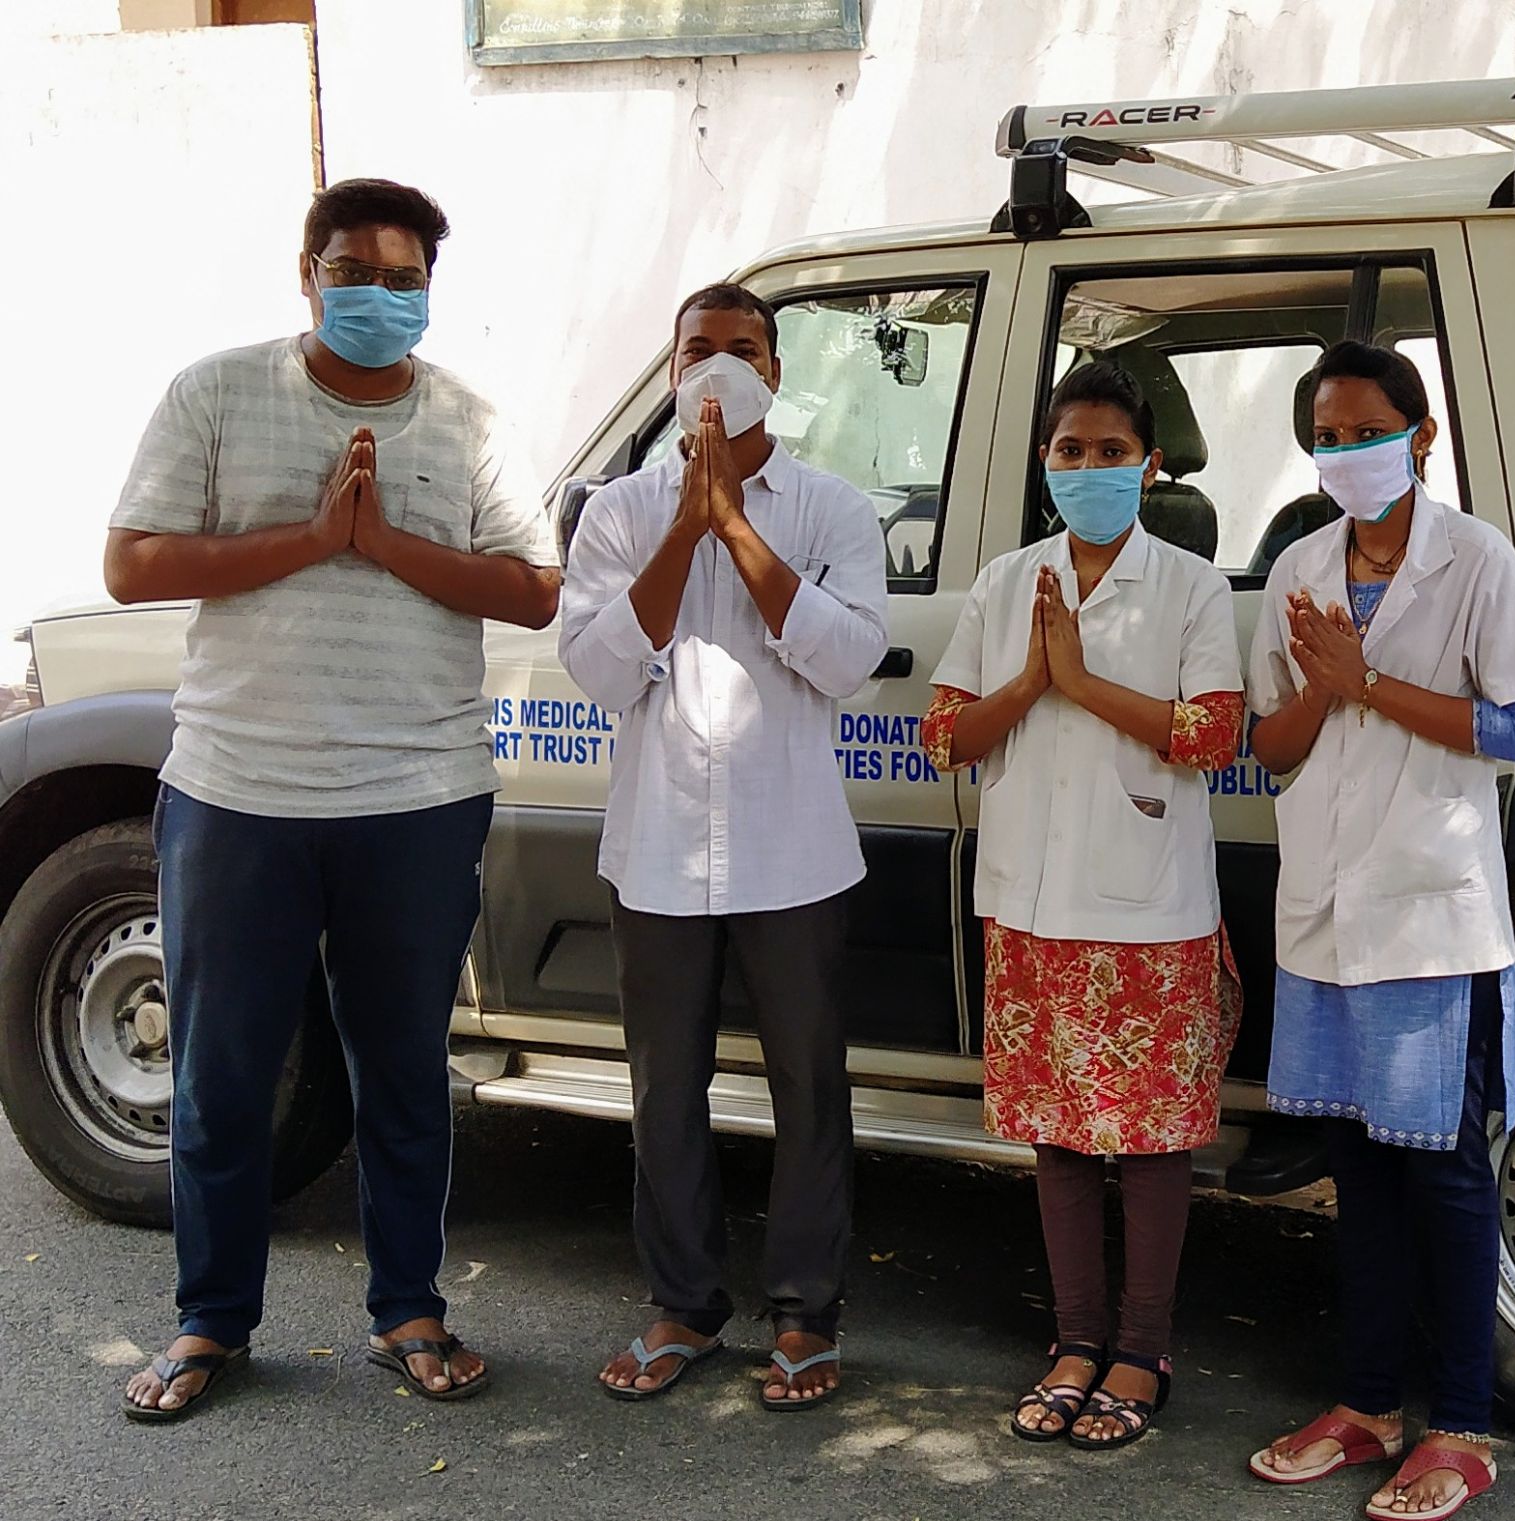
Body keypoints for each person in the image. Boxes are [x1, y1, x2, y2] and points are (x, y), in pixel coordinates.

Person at [109, 179, 561, 1422]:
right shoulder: (216, 392)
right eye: (352, 269)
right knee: (219, 1076)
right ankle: (210, 1323)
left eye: (404, 276)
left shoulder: (469, 423)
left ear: (430, 289)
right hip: (237, 791)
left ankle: (407, 1308)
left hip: (416, 795)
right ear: (305, 273)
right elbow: (133, 560)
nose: (378, 294)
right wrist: (309, 539)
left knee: (406, 1070)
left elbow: (532, 590)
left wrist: (377, 544)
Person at [1243, 343, 1515, 1519]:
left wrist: (1365, 680)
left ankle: (1461, 1428)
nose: (1341, 452)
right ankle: (1367, 1408)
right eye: (1323, 436)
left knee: (1443, 1173)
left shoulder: (1475, 562)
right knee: (1358, 1169)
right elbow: (1266, 748)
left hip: (1430, 915)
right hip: (1325, 909)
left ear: (1418, 436)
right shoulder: (1297, 568)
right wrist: (1326, 687)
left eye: (1362, 429)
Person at [561, 284, 887, 1410]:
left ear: (776, 373)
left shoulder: (833, 509)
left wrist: (737, 528)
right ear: (668, 375)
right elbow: (601, 670)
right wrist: (684, 528)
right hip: (655, 851)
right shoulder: (615, 513)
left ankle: (805, 1314)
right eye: (696, 349)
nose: (717, 368)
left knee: (808, 1086)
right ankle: (682, 1305)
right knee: (664, 1091)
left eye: (741, 350)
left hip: (790, 850)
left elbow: (845, 659)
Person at [921, 362, 1244, 1450]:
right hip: (1029, 898)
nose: (1091, 468)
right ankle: (1072, 1342)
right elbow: (945, 737)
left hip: (1148, 906)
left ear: (1148, 465)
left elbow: (1212, 736)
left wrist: (1080, 680)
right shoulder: (1004, 581)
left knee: (1150, 1142)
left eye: (1113, 451)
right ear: (1044, 463)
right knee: (1057, 1139)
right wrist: (1031, 680)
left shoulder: (1192, 586)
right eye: (1071, 450)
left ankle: (1142, 1349)